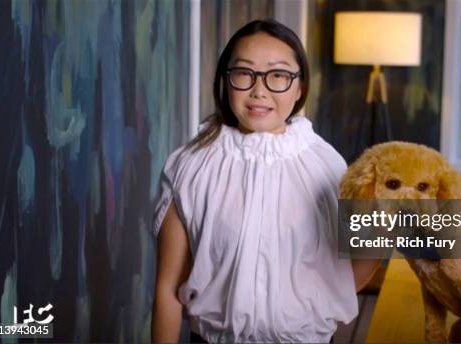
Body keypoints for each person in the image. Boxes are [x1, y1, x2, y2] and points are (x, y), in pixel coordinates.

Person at [151, 19, 374, 343]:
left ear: (299, 87)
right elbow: (168, 290)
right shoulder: (190, 166)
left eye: (278, 75)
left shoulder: (328, 166)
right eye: (244, 73)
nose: (259, 90)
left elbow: (346, 278)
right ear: (225, 81)